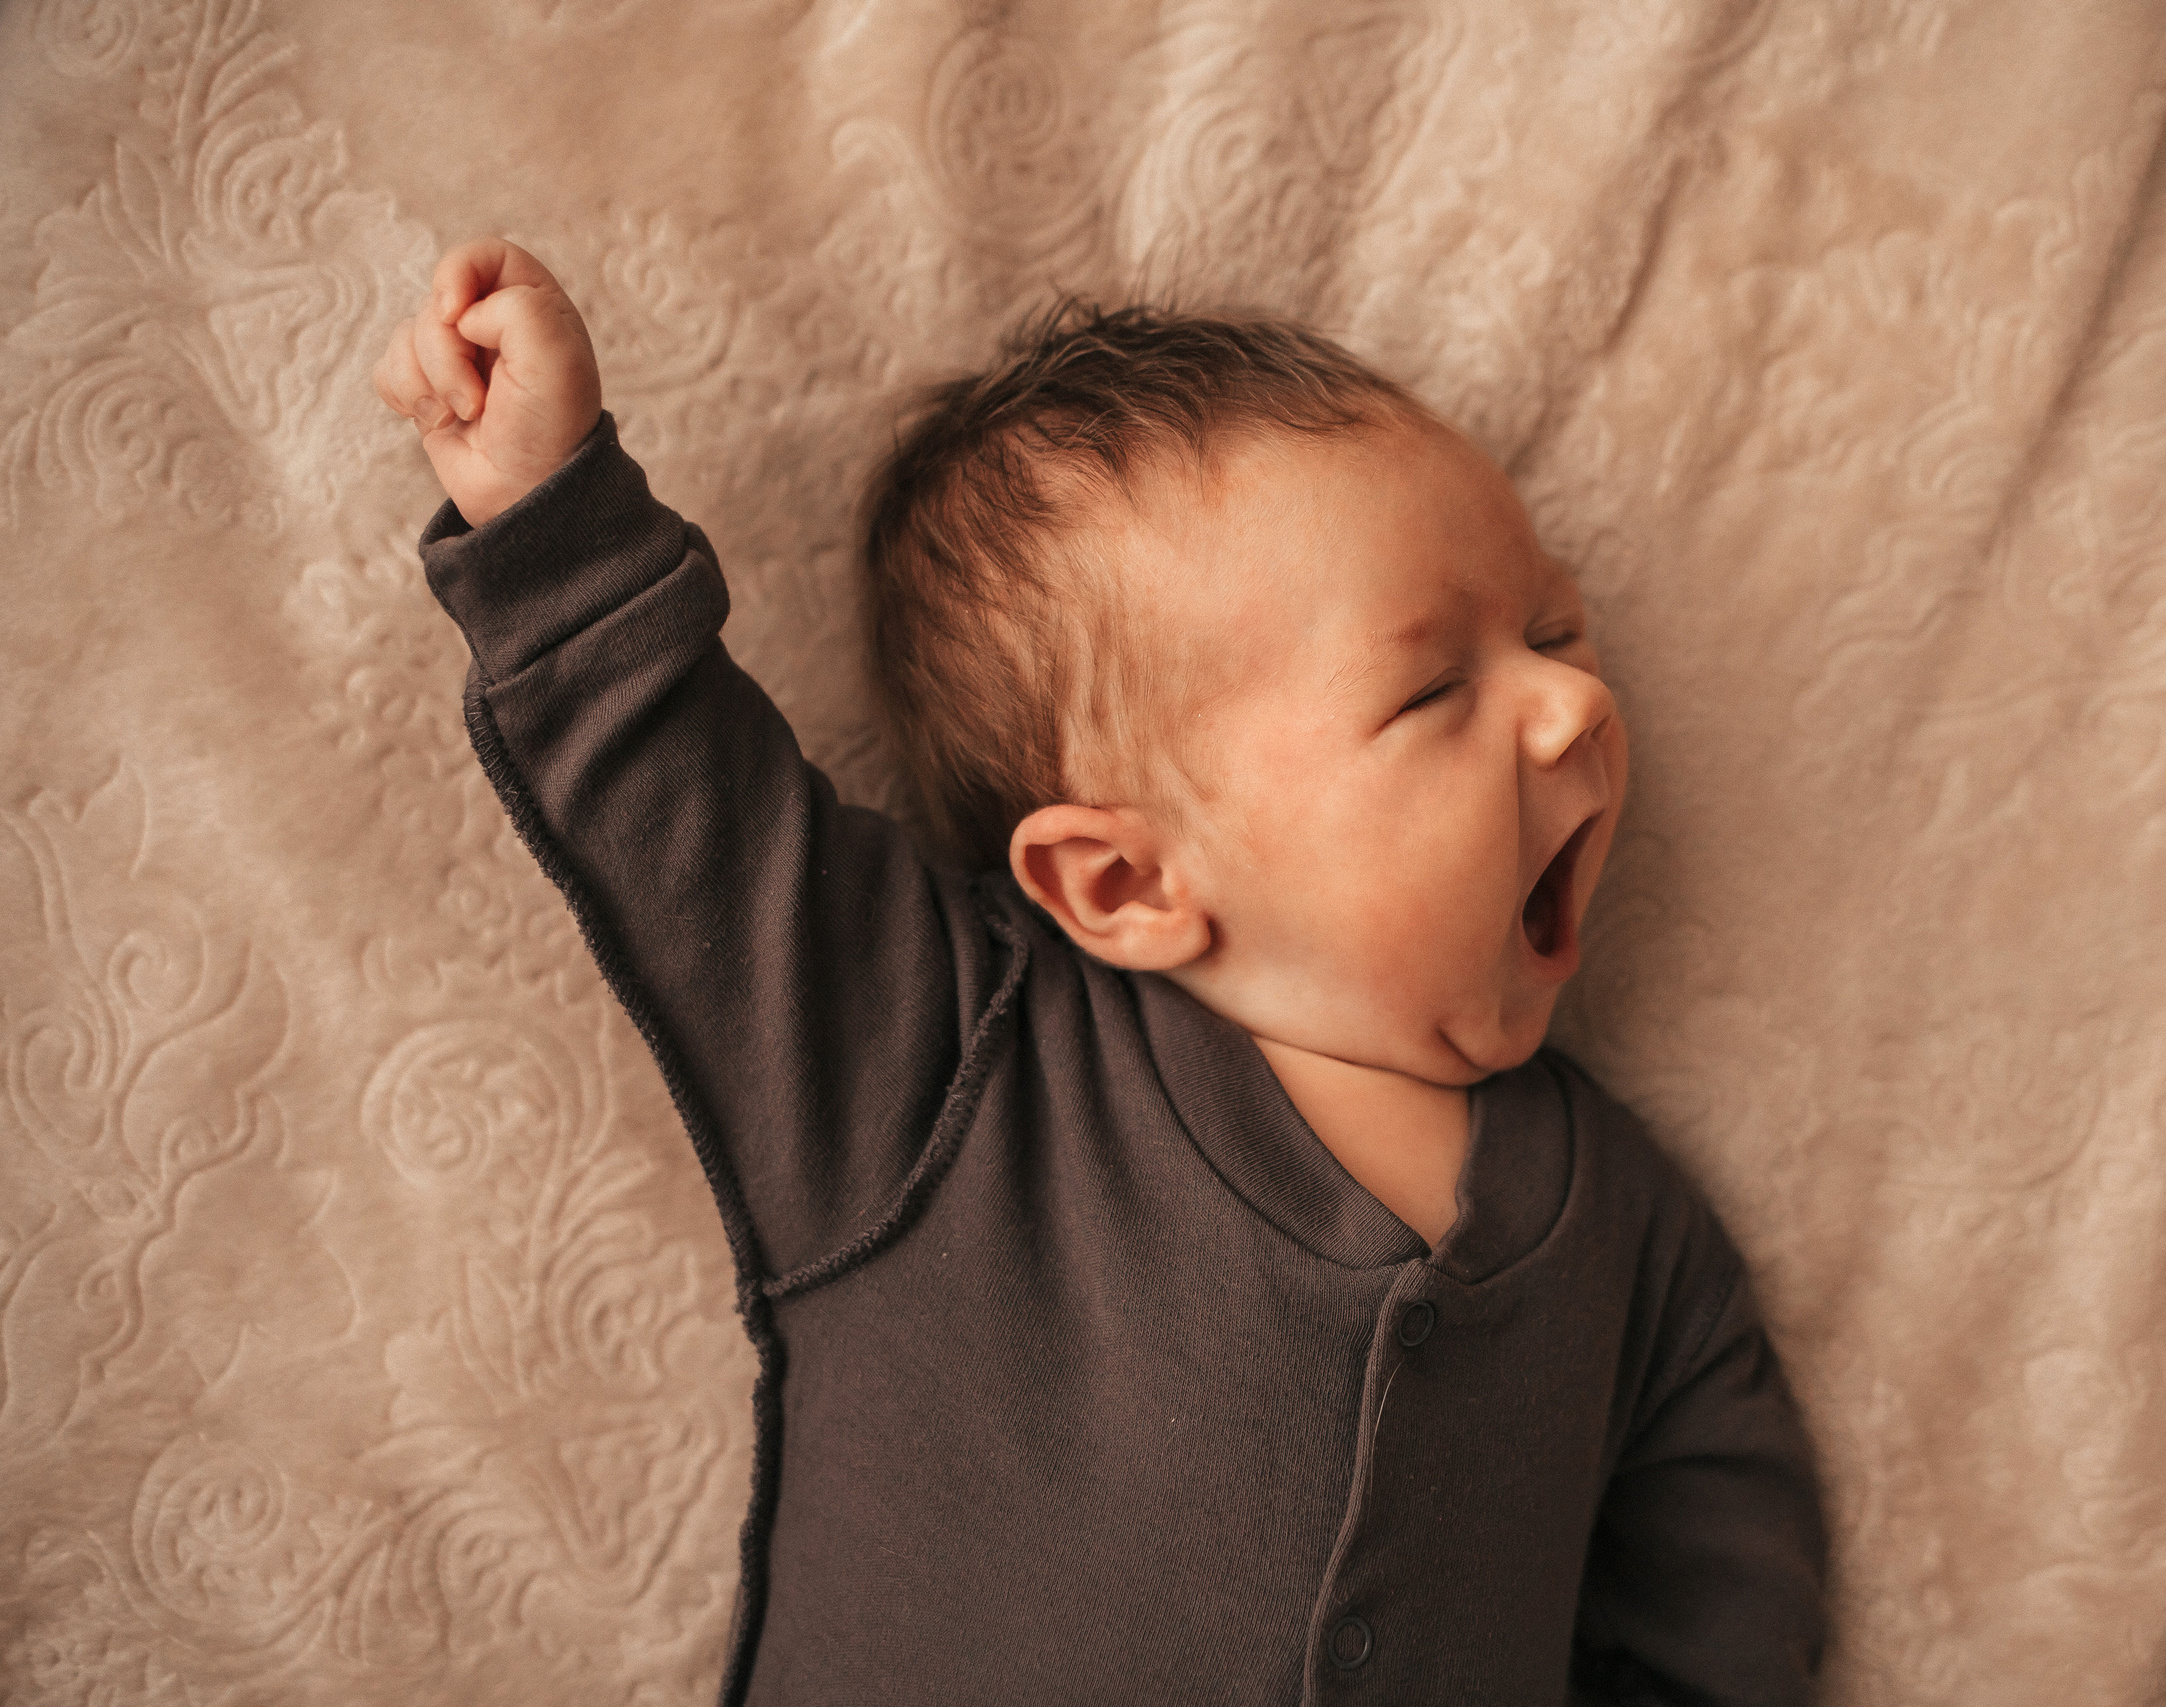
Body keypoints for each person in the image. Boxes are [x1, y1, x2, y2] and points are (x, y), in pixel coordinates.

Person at [373, 236, 1826, 1706]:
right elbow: (700, 831)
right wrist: (551, 520)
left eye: (1554, 629)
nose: (1577, 699)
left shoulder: (1634, 1238)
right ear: (1124, 884)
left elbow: (1727, 1608)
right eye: (1436, 686)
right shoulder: (953, 1073)